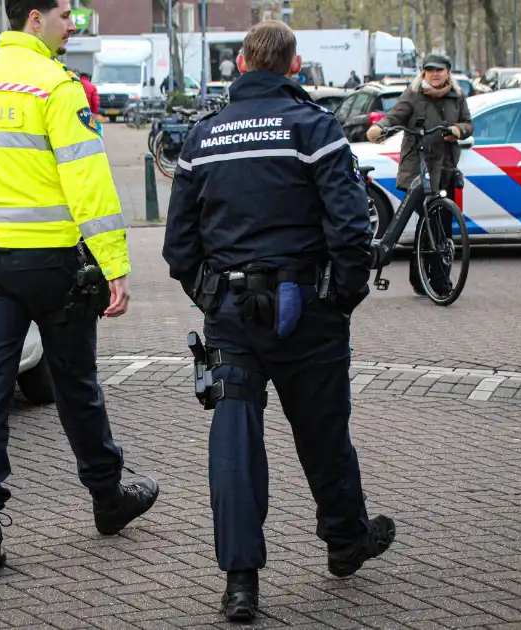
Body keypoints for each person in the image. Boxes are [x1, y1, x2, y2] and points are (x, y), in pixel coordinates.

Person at [162, 20, 396, 623]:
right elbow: (351, 226)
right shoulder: (314, 127)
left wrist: (208, 294)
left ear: (240, 64)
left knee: (234, 442)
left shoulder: (203, 135)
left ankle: (241, 583)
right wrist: (341, 297)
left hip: (231, 313)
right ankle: (345, 541)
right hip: (306, 309)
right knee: (323, 430)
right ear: (294, 66)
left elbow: (179, 243)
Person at [0, 0, 159, 581]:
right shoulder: (56, 88)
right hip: (54, 264)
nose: (72, 25)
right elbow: (87, 181)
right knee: (75, 384)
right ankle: (108, 499)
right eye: (64, 15)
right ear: (33, 19)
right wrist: (113, 263)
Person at [365, 53, 473, 296]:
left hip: (445, 169)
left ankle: (419, 278)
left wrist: (458, 129)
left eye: (439, 70)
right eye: (430, 70)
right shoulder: (413, 95)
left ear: (448, 72)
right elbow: (395, 116)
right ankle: (440, 284)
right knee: (432, 224)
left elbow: (468, 123)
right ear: (423, 73)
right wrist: (379, 128)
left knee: (440, 227)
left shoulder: (456, 96)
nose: (435, 74)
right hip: (418, 169)